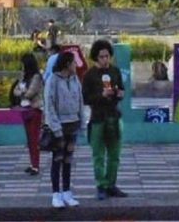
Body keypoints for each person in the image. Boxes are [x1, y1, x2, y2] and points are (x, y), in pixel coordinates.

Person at [82, 39, 127, 200]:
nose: (105, 60)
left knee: (114, 154)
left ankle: (111, 184)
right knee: (98, 154)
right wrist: (101, 95)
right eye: (101, 57)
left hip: (114, 116)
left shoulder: (115, 71)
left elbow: (121, 88)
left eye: (107, 56)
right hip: (97, 118)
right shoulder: (89, 75)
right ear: (96, 57)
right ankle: (101, 185)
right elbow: (85, 98)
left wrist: (120, 93)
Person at [44, 50, 83, 209]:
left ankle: (67, 191)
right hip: (59, 125)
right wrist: (55, 127)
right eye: (74, 62)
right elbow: (49, 104)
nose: (76, 65)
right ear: (67, 63)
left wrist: (82, 123)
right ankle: (56, 194)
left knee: (68, 160)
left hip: (73, 124)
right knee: (57, 159)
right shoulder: (53, 80)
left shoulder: (75, 79)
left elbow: (80, 101)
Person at [13, 52, 44, 175]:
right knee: (29, 139)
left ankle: (36, 165)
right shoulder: (23, 77)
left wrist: (21, 91)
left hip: (34, 110)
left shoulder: (36, 77)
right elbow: (15, 90)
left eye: (23, 64)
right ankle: (32, 163)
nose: (22, 67)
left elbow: (30, 93)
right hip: (24, 109)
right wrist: (21, 91)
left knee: (34, 139)